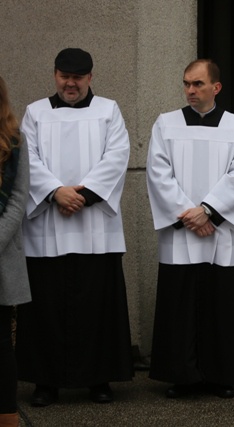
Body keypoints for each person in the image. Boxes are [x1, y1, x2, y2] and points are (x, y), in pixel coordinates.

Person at [17, 48, 133, 406]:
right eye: (64, 76)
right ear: (55, 75)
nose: (71, 83)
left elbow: (117, 156)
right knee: (45, 307)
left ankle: (99, 380)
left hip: (94, 225)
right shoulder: (34, 113)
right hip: (48, 224)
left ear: (90, 77)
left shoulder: (108, 110)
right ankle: (45, 382)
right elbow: (27, 159)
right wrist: (55, 192)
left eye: (78, 77)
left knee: (98, 306)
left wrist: (83, 195)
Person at [146, 58, 234, 399]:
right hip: (182, 233)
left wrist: (208, 211)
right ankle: (183, 376)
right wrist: (188, 214)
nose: (190, 91)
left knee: (220, 303)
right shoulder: (166, 124)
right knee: (180, 304)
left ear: (216, 87)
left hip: (219, 233)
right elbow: (157, 173)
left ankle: (221, 375)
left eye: (198, 84)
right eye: (187, 84)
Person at [0, 76, 30, 427]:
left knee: (0, 346)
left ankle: (7, 416)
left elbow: (18, 200)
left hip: (1, 255)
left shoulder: (15, 141)